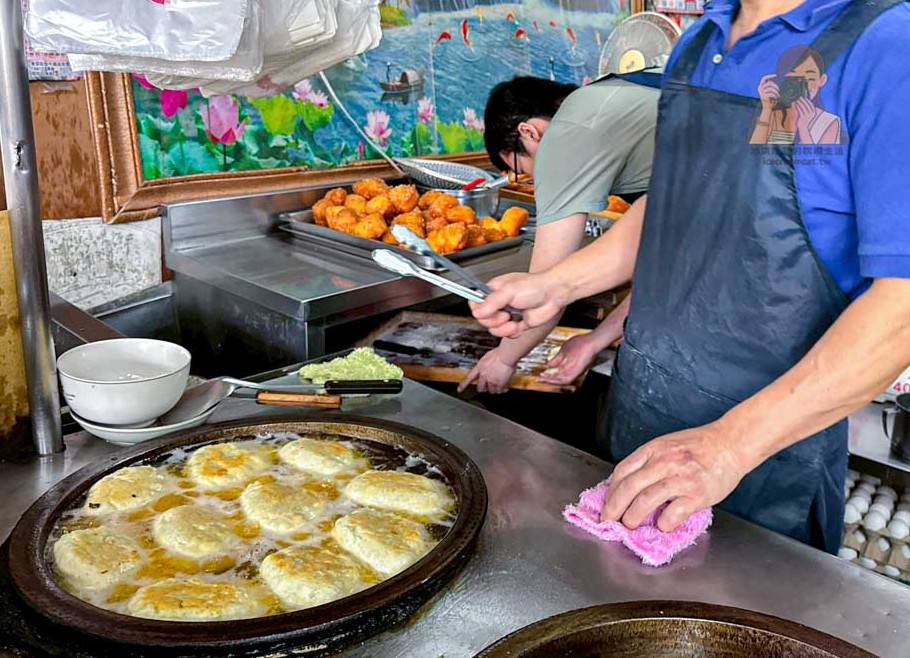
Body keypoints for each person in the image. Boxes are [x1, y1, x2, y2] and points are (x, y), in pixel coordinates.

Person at [470, 0, 910, 555]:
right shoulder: (699, 42)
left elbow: (902, 306)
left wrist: (728, 447)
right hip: (641, 411)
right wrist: (560, 283)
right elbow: (671, 202)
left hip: (761, 452)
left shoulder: (887, 45)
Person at [458, 74, 660, 394]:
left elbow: (544, 288)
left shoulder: (564, 137)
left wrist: (503, 360)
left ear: (528, 132)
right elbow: (665, 263)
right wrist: (597, 339)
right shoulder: (612, 97)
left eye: (521, 168)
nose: (531, 178)